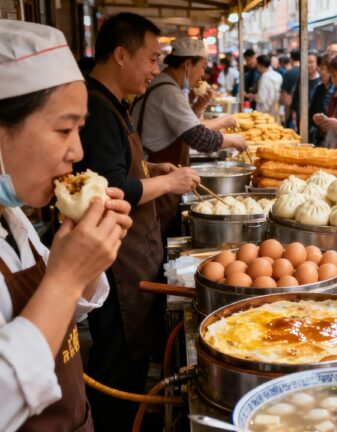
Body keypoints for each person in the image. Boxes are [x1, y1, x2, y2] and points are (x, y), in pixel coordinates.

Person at [0, 20, 132, 431]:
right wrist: (66, 277)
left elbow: (61, 313)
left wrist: (87, 264)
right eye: (64, 129)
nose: (76, 150)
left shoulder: (12, 216)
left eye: (80, 129)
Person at [75, 13, 200, 430]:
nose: (155, 68)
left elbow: (119, 168)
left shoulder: (114, 103)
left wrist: (152, 168)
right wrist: (173, 182)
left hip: (130, 254)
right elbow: (109, 187)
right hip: (115, 268)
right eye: (151, 58)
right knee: (117, 370)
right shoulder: (95, 108)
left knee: (130, 364)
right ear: (121, 54)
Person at [130, 37, 246, 237]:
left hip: (156, 168)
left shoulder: (165, 85)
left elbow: (180, 126)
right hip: (156, 171)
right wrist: (233, 140)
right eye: (201, 66)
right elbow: (198, 138)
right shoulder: (168, 91)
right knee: (158, 233)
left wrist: (198, 107)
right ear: (187, 65)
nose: (203, 73)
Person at [308, 53, 335, 147]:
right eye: (320, 68)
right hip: (320, 138)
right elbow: (311, 113)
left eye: (323, 69)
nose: (320, 72)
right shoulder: (319, 88)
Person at [289, 50, 321, 132]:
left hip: (317, 124)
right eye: (305, 62)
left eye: (311, 62)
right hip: (302, 122)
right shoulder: (301, 80)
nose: (307, 65)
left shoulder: (321, 81)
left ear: (317, 63)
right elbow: (295, 100)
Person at [254, 54, 283, 121]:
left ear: (260, 65)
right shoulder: (278, 75)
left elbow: (261, 98)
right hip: (276, 109)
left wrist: (253, 96)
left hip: (265, 112)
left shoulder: (265, 77)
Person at [280, 49, 301, 127]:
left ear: (291, 59)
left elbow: (284, 96)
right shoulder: (306, 72)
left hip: (292, 112)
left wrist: (286, 117)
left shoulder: (288, 73)